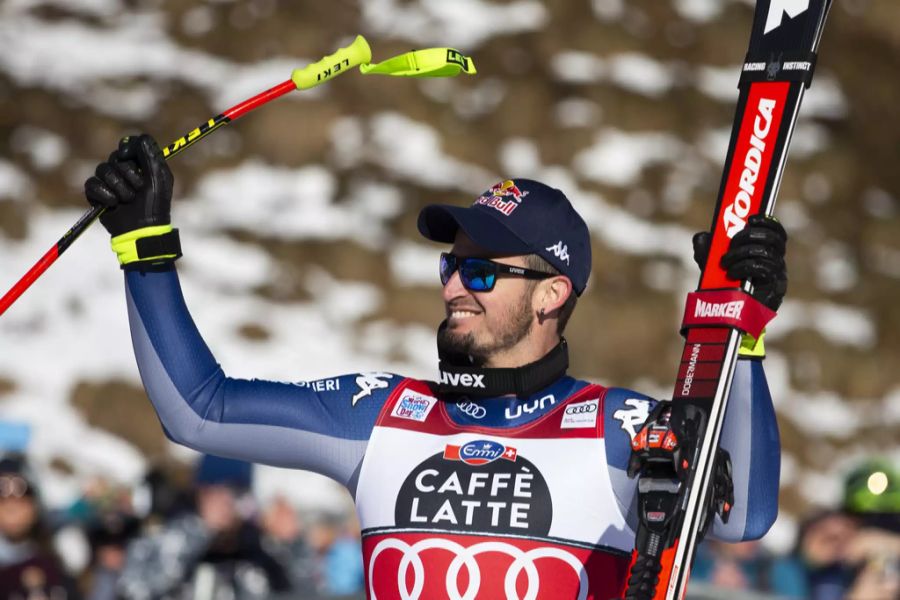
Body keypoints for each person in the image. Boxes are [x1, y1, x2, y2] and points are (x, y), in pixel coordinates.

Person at [83, 134, 786, 598]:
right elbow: (199, 409)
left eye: (482, 270)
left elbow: (742, 516)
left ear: (552, 293)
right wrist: (145, 249)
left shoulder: (622, 427)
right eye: (452, 263)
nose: (453, 284)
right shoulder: (382, 414)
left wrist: (740, 334)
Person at [116, 454, 293, 600]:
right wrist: (200, 530)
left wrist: (293, 542)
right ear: (202, 491)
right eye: (221, 492)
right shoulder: (161, 531)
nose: (228, 504)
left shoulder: (254, 548)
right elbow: (132, 591)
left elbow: (298, 591)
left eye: (237, 495)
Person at [0, 454, 82, 599]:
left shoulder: (58, 564)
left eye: (21, 501)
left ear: (35, 507)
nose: (11, 509)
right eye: (2, 501)